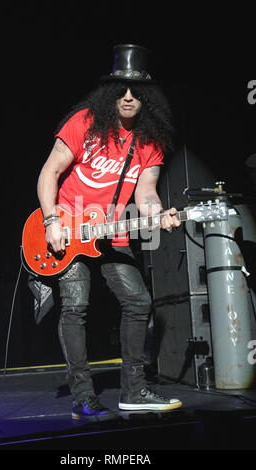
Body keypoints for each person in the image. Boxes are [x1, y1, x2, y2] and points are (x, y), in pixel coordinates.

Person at [37, 44, 182, 421]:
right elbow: (49, 172)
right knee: (76, 306)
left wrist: (159, 214)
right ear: (110, 93)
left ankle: (134, 391)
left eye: (137, 91)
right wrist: (52, 221)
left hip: (113, 233)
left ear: (147, 97)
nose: (129, 97)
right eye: (121, 89)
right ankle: (83, 396)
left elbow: (146, 193)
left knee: (138, 302)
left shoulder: (150, 141)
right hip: (68, 227)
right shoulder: (84, 123)